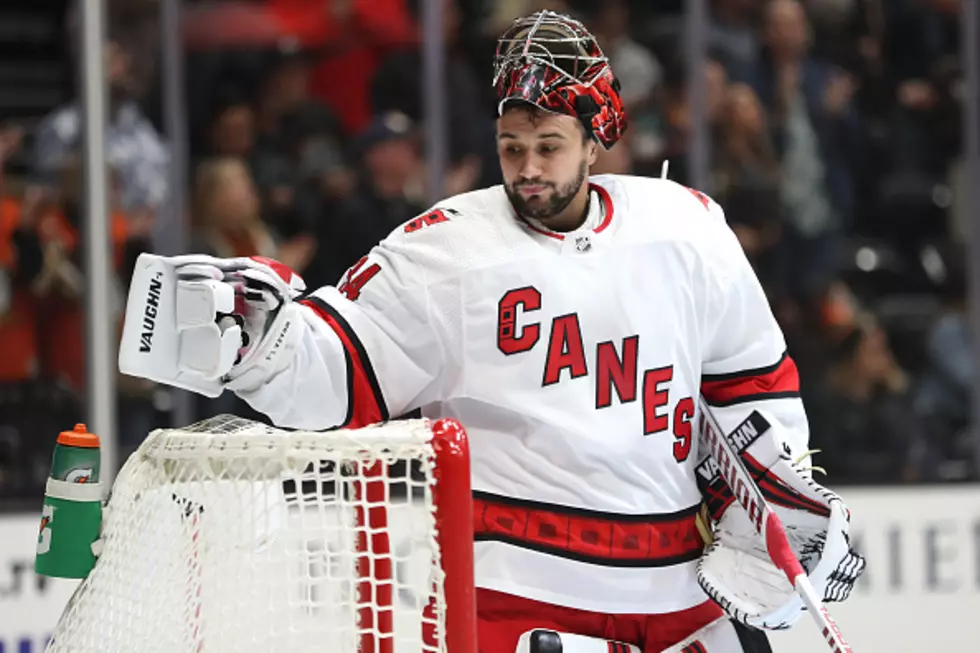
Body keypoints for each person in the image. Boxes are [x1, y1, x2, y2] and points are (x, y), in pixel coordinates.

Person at [118, 11, 863, 653]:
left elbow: (750, 383)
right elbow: (341, 369)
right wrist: (260, 344)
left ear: (595, 138)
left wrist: (772, 500)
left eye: (549, 147)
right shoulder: (445, 252)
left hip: (680, 589)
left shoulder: (687, 229)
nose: (529, 169)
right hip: (522, 592)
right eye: (512, 147)